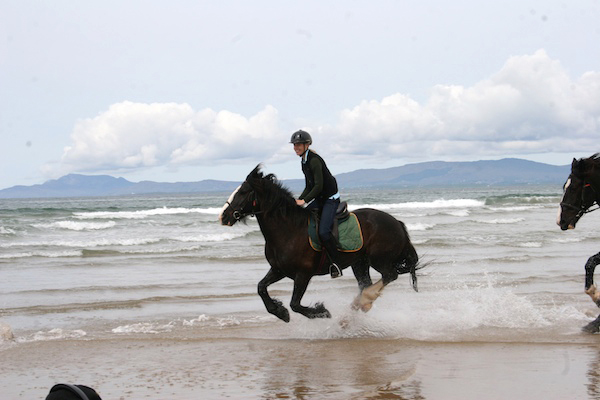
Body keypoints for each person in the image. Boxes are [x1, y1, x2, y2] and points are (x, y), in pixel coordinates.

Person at [290, 129, 343, 278]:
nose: (296, 147)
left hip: (330, 199)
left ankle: (336, 264)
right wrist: (298, 201)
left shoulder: (314, 160)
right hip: (320, 199)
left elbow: (318, 186)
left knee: (323, 232)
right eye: (294, 145)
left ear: (307, 145)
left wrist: (305, 200)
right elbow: (309, 186)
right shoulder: (304, 161)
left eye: (298, 145)